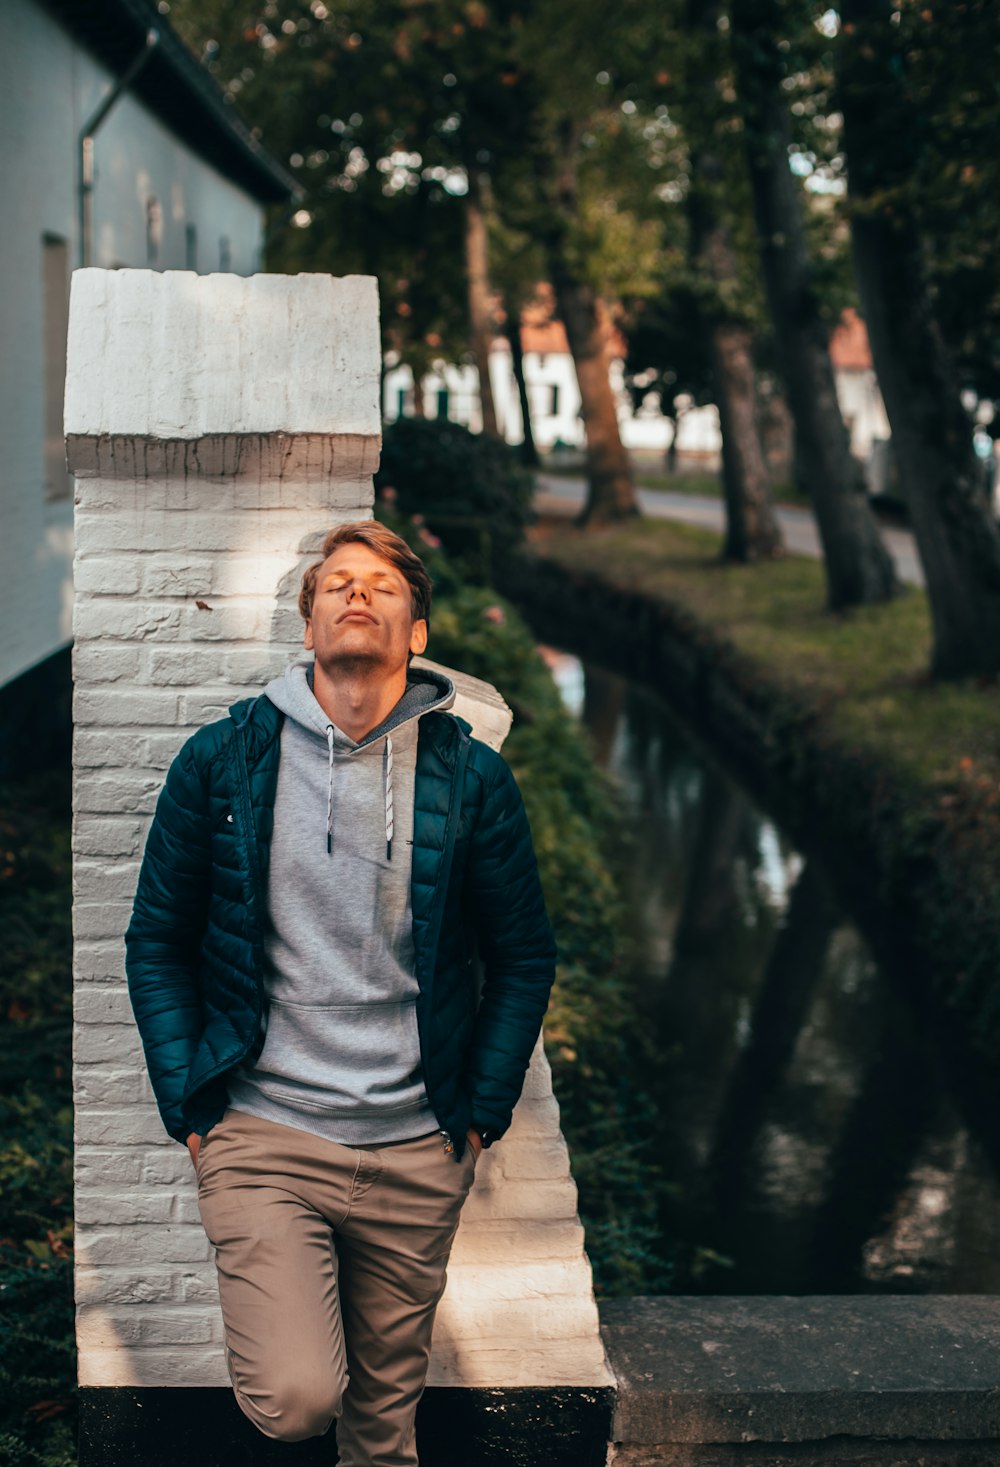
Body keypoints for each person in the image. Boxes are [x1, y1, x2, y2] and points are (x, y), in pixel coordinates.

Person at [125, 520, 557, 1466]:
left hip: (416, 1145)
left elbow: (524, 956)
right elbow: (156, 940)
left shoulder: (472, 779)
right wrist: (191, 1107)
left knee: (383, 1429)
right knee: (297, 1397)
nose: (357, 594)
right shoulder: (222, 763)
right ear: (309, 624)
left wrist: (479, 1111)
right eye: (336, 585)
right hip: (265, 1136)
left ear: (417, 632)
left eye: (382, 586)